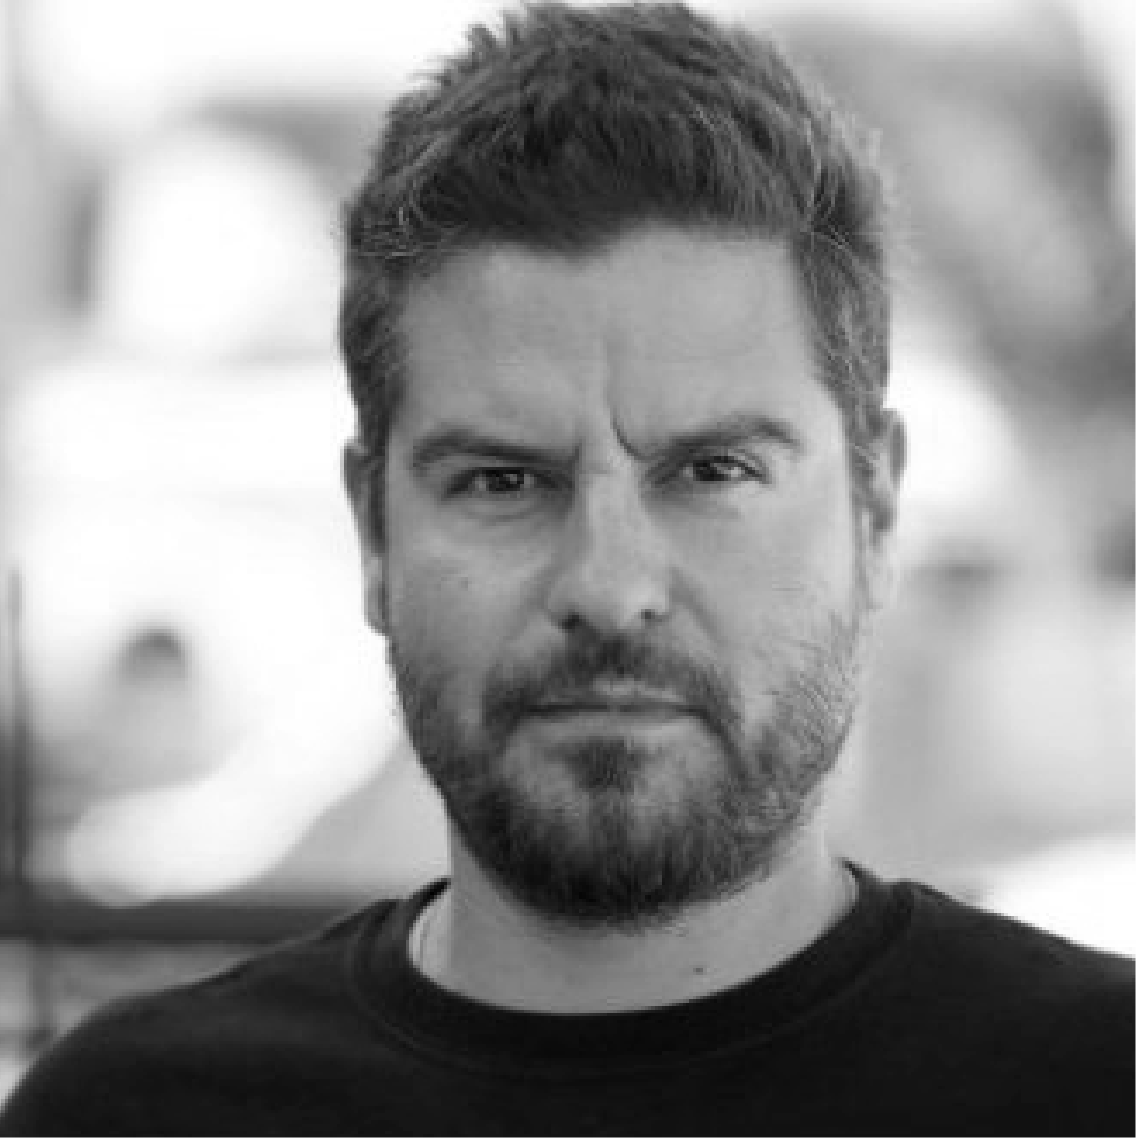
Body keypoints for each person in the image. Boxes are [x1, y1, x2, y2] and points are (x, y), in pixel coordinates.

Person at [2, 3, 1132, 1134]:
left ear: (874, 510)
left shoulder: (1100, 1087)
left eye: (714, 470)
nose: (608, 586)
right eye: (502, 480)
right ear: (374, 532)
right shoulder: (133, 1116)